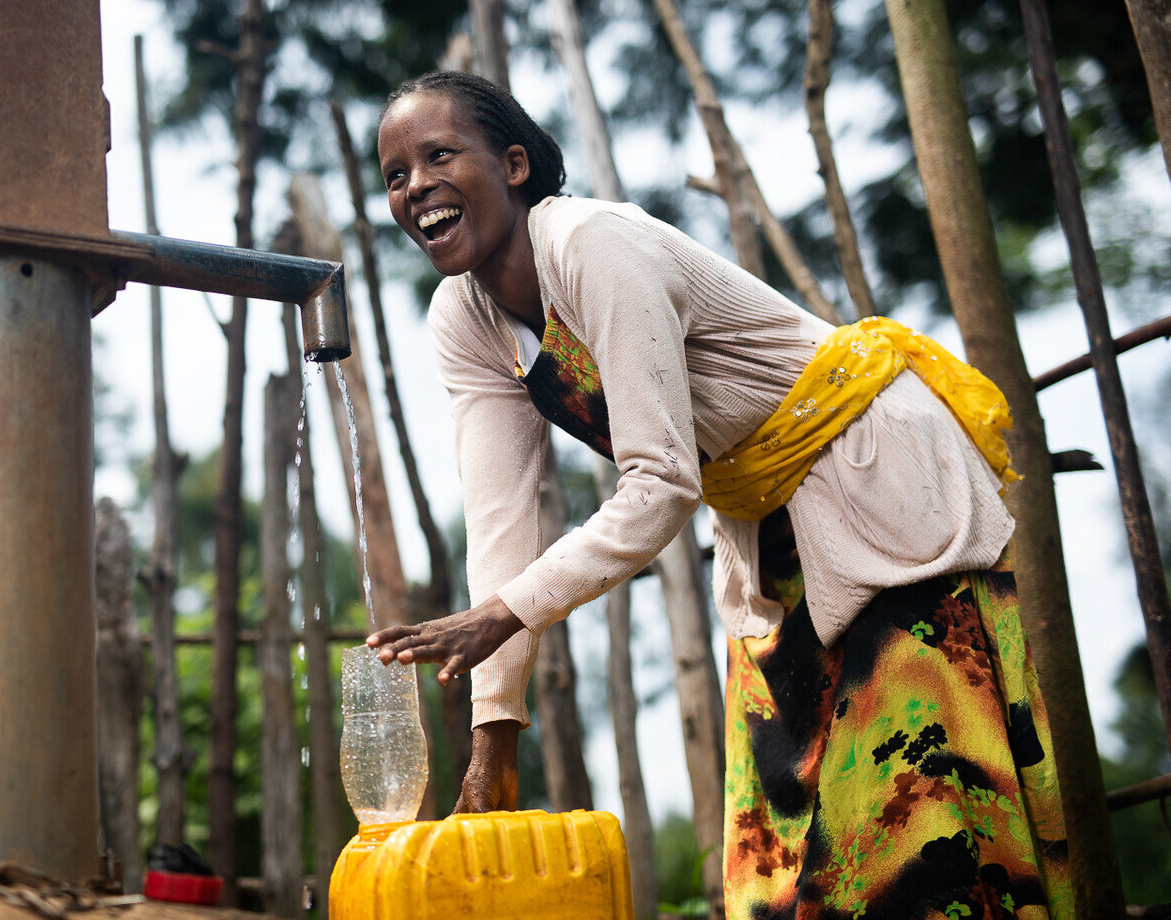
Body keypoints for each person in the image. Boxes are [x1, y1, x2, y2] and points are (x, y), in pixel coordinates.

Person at [368, 69, 1071, 917]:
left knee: (918, 814)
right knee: (780, 843)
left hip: (876, 480)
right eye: (396, 175)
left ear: (514, 165)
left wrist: (505, 613)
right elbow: (500, 521)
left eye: (439, 156)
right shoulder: (464, 318)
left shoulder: (591, 245)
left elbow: (662, 484)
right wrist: (496, 734)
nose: (416, 186)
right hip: (765, 521)